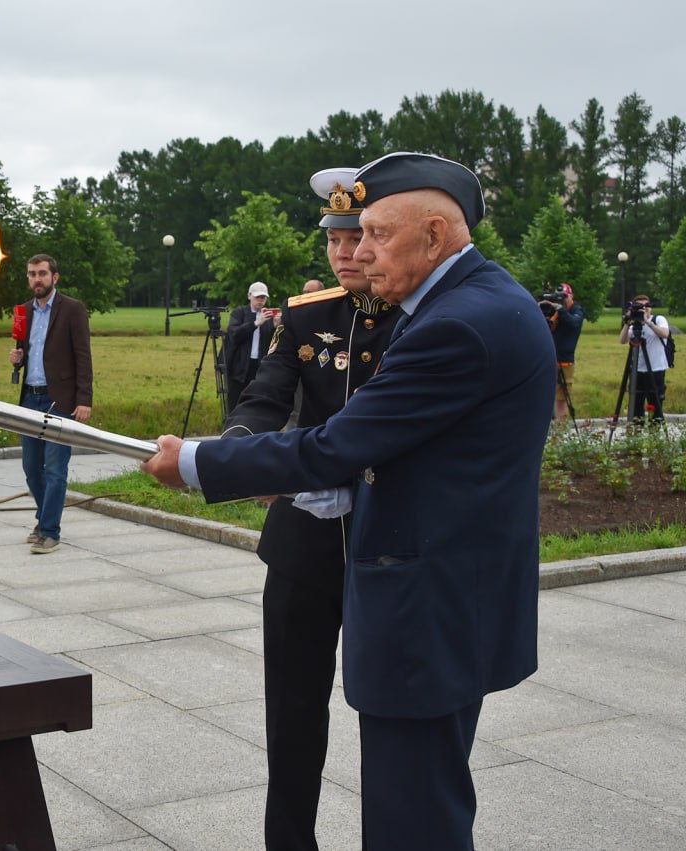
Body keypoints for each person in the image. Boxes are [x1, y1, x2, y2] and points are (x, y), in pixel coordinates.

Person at [141, 152, 555, 851]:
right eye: (350, 235)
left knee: (411, 820)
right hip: (439, 593)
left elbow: (339, 444)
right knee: (410, 797)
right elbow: (395, 447)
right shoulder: (479, 299)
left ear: (433, 234)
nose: (356, 253)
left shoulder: (454, 322)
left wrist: (201, 461)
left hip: (425, 608)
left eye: (375, 235)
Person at [223, 167, 399, 851]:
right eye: (334, 237)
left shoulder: (415, 316)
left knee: (387, 717)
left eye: (359, 236)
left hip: (385, 545)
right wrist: (242, 449)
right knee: (292, 719)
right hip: (303, 547)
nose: (345, 252)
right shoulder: (305, 314)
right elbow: (267, 395)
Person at [8, 254, 92, 554]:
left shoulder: (72, 309)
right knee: (32, 468)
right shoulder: (22, 311)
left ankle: (49, 531)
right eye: (32, 274)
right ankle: (44, 518)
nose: (36, 279)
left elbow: (83, 356)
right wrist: (16, 358)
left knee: (55, 469)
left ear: (54, 277)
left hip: (61, 400)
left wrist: (84, 400)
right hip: (30, 397)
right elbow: (22, 349)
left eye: (42, 274)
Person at [223, 281, 278, 413]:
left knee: (255, 402)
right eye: (257, 297)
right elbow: (234, 334)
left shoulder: (269, 316)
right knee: (235, 403)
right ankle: (232, 430)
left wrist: (277, 327)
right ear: (249, 296)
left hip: (259, 365)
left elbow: (272, 343)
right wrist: (255, 323)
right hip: (239, 367)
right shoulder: (239, 313)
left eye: (263, 298)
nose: (260, 301)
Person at [619, 293, 670, 422]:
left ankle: (655, 430)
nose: (644, 309)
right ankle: (637, 429)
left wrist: (648, 322)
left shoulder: (658, 320)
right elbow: (622, 340)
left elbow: (665, 334)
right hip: (638, 369)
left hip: (656, 368)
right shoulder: (634, 324)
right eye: (639, 306)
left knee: (655, 402)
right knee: (637, 404)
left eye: (646, 306)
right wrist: (627, 321)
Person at [540, 282, 585, 421]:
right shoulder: (556, 312)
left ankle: (561, 428)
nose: (562, 301)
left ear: (571, 296)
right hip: (550, 357)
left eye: (564, 297)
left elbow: (573, 324)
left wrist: (559, 308)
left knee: (561, 397)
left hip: (565, 360)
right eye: (559, 298)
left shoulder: (576, 310)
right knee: (545, 393)